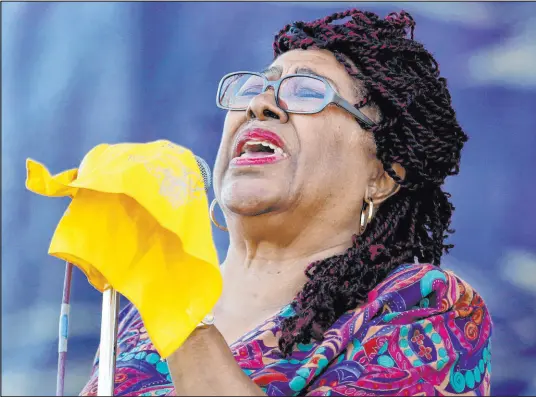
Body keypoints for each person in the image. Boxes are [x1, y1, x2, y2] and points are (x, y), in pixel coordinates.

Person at [81, 8, 492, 396]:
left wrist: (177, 303)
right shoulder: (136, 321)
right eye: (255, 87)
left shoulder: (424, 306)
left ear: (384, 174)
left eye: (308, 91)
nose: (261, 104)